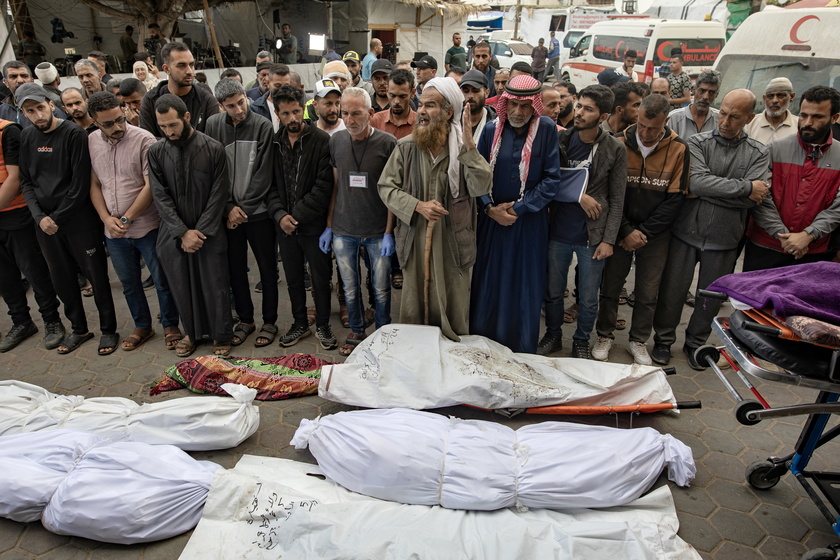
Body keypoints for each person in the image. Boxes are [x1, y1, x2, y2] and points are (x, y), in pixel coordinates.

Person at [652, 89, 770, 369]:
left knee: (711, 297)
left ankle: (696, 343)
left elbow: (753, 198)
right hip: (685, 232)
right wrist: (744, 188)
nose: (726, 121)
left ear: (750, 118)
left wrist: (714, 189)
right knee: (673, 291)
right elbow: (695, 183)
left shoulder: (758, 152)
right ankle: (664, 341)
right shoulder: (696, 142)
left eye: (735, 117)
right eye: (724, 113)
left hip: (725, 238)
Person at [378, 77, 492, 340]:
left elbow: (481, 186)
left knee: (454, 305)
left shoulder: (463, 149)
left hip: (453, 242)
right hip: (416, 239)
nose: (423, 112)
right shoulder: (406, 147)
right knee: (414, 308)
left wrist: (470, 147)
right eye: (422, 105)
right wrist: (417, 205)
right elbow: (386, 187)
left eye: (431, 106)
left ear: (448, 111)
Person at [17, 83, 119, 355]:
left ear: (51, 105)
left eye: (40, 107)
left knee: (96, 277)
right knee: (62, 278)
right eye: (30, 111)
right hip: (45, 226)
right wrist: (40, 217)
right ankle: (79, 329)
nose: (37, 114)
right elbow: (26, 181)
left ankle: (109, 330)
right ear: (24, 113)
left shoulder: (73, 133)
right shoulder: (27, 137)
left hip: (79, 222)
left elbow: (79, 184)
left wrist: (56, 217)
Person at [592, 94, 688, 364]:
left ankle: (638, 340)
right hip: (618, 230)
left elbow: (675, 199)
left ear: (665, 122)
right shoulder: (617, 142)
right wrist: (624, 231)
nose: (646, 133)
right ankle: (605, 335)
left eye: (653, 128)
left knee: (648, 292)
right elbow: (608, 192)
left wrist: (643, 233)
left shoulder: (679, 148)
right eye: (642, 125)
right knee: (611, 286)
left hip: (654, 235)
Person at [472, 74, 561, 354]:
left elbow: (551, 180)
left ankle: (520, 348)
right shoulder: (490, 129)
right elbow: (477, 175)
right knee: (489, 282)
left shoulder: (546, 129)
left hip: (529, 223)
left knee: (524, 285)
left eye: (525, 106)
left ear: (534, 106)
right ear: (504, 104)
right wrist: (489, 207)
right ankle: (484, 346)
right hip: (492, 223)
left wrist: (517, 208)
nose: (518, 112)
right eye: (512, 105)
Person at [86, 91, 182, 352]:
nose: (117, 127)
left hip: (147, 226)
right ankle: (142, 325)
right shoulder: (92, 141)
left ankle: (170, 324)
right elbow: (94, 183)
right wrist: (107, 219)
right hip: (114, 232)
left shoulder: (144, 139)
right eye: (108, 123)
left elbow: (152, 185)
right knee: (129, 283)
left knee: (162, 280)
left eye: (120, 119)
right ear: (94, 122)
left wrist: (127, 218)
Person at [538, 85, 627, 358]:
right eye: (579, 106)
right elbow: (547, 182)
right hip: (558, 232)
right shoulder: (560, 140)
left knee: (588, 298)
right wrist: (579, 196)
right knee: (553, 292)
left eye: (588, 109)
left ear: (603, 117)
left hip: (593, 237)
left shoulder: (614, 148)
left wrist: (610, 240)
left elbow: (618, 198)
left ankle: (580, 341)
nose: (578, 113)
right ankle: (553, 335)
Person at [148, 94, 233, 357]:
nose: (168, 132)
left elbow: (219, 194)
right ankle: (192, 334)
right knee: (181, 285)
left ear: (186, 117)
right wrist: (182, 232)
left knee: (214, 283)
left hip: (208, 231)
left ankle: (221, 335)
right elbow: (159, 195)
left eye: (172, 125)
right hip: (174, 233)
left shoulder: (213, 148)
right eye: (162, 127)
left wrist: (200, 232)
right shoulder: (156, 151)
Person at [321, 87, 398, 355]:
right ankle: (356, 328)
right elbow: (335, 186)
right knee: (349, 286)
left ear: (371, 113)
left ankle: (384, 331)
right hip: (344, 229)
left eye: (357, 113)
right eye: (345, 113)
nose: (350, 119)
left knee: (381, 287)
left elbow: (393, 192)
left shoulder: (388, 143)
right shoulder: (336, 141)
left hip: (378, 230)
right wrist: (329, 226)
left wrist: (390, 231)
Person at [203, 79, 279, 348]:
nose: (239, 110)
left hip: (258, 214)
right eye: (231, 105)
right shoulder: (212, 126)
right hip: (228, 215)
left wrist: (242, 209)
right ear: (221, 105)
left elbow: (264, 174)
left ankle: (270, 321)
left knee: (268, 269)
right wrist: (227, 208)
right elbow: (212, 172)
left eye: (241, 102)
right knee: (235, 270)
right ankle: (246, 320)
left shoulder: (263, 126)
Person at [267, 85, 336, 349]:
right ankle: (299, 323)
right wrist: (279, 215)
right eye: (286, 114)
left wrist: (293, 216)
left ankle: (323, 325)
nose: (293, 118)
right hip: (284, 227)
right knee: (293, 278)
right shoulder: (275, 141)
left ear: (305, 108)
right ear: (277, 114)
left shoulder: (321, 141)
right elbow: (269, 184)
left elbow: (323, 187)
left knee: (320, 278)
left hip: (313, 226)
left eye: (296, 111)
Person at [745, 85, 840, 271]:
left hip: (811, 252)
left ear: (835, 118)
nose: (807, 122)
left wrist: (808, 235)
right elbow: (761, 197)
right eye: (804, 115)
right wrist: (784, 237)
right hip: (765, 248)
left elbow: (837, 208)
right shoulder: (774, 149)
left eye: (817, 117)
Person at [0, 105, 66, 352]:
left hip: (17, 216)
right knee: (5, 278)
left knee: (34, 271)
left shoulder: (8, 131)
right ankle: (21, 322)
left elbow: (16, 178)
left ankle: (52, 321)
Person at [139, 43, 220, 137]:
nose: (189, 71)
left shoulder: (207, 101)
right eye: (181, 66)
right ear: (166, 69)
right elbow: (148, 142)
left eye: (191, 65)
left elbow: (212, 144)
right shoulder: (150, 100)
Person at [1, 62, 65, 128]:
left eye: (24, 76)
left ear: (32, 80)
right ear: (6, 82)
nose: (20, 80)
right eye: (13, 77)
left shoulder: (50, 108)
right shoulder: (2, 111)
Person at [667, 69, 721, 140]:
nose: (705, 97)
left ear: (716, 95)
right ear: (693, 90)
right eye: (702, 91)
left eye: (711, 93)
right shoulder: (673, 118)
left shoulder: (720, 120)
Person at [744, 77, 799, 145]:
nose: (774, 101)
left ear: (791, 97)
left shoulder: (800, 126)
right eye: (770, 96)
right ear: (764, 98)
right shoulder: (749, 124)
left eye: (780, 96)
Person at [370, 68, 416, 140]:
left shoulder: (421, 123)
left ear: (412, 93)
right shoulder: (375, 121)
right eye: (392, 95)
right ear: (387, 90)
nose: (397, 101)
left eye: (402, 96)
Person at [251, 63, 291, 130]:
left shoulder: (296, 106)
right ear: (268, 83)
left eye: (286, 86)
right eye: (277, 86)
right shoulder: (255, 109)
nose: (282, 90)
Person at [461, 69, 496, 145]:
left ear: (486, 93)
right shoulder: (453, 120)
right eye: (466, 91)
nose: (470, 96)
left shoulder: (495, 123)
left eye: (475, 91)